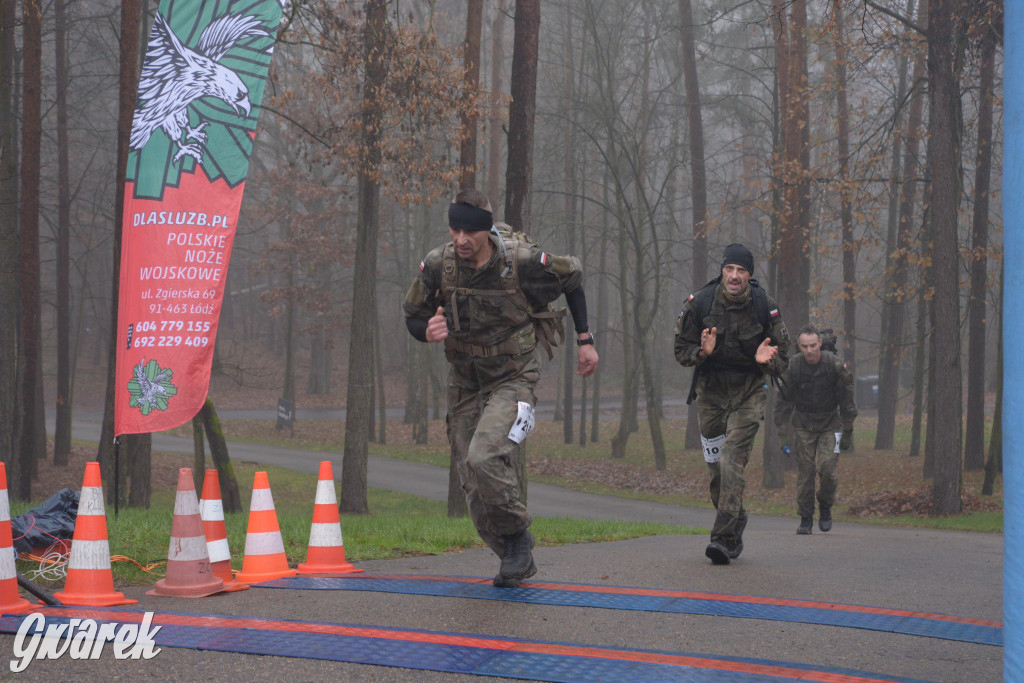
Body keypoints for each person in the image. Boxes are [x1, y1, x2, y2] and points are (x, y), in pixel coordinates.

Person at [402, 189, 599, 587]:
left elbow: (572, 277)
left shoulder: (521, 262)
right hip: (465, 382)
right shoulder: (440, 265)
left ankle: (519, 535)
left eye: (470, 232)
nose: (461, 240)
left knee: (485, 456)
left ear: (486, 231)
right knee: (471, 484)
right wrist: (426, 330)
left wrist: (585, 339)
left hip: (514, 375)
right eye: (455, 229)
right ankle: (512, 553)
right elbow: (412, 315)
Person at [674, 243, 789, 565]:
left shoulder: (766, 306)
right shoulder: (700, 304)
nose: (735, 276)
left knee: (730, 463)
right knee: (716, 473)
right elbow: (681, 350)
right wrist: (702, 353)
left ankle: (722, 539)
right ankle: (736, 520)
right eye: (730, 269)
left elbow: (786, 360)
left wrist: (768, 361)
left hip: (748, 394)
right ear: (722, 271)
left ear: (749, 275)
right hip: (710, 396)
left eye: (741, 270)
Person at [774, 325, 857, 534]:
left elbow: (847, 400)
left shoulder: (835, 365)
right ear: (799, 346)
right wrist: (782, 435)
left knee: (828, 470)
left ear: (820, 343)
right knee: (806, 472)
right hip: (803, 425)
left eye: (813, 345)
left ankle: (826, 506)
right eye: (804, 346)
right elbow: (783, 401)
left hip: (832, 424)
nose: (809, 351)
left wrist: (848, 431)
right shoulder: (793, 366)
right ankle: (805, 517)